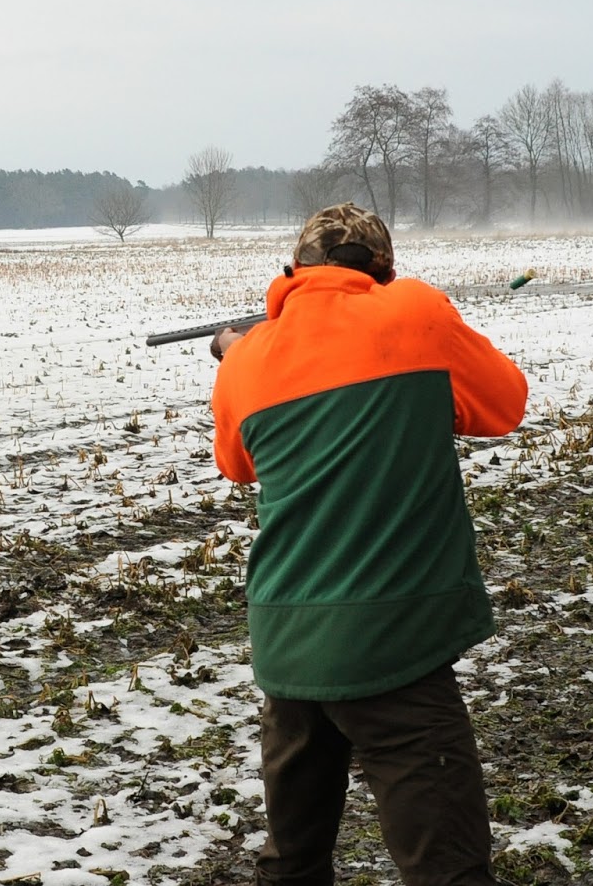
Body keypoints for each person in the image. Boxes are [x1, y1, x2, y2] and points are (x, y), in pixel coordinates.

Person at [208, 202, 528, 886]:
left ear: (296, 272)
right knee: (449, 868)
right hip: (395, 644)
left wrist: (238, 354)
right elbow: (505, 403)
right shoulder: (415, 312)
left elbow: (237, 463)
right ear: (383, 269)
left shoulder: (248, 360)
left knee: (293, 863)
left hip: (288, 641)